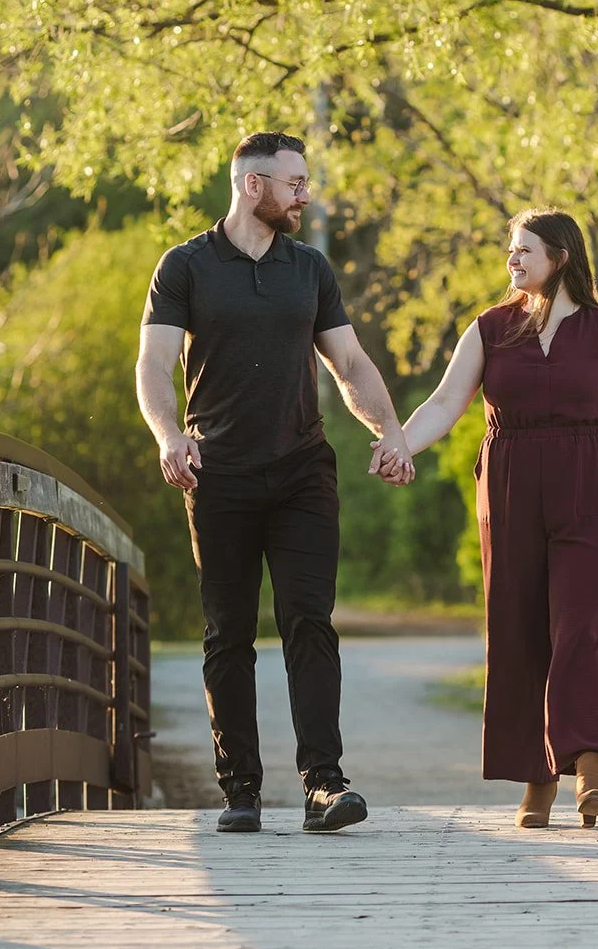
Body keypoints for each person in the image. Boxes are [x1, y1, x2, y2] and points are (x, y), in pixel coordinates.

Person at [136, 131, 414, 834]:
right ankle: (241, 790)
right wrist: (170, 437)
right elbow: (153, 366)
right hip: (219, 472)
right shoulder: (186, 267)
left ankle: (324, 783)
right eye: (295, 182)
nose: (305, 194)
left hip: (301, 471)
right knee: (228, 631)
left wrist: (391, 429)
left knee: (309, 622)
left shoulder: (309, 269)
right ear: (252, 185)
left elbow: (348, 363)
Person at [372, 208, 598, 828]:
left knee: (580, 628)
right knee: (520, 633)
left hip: (587, 487)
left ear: (562, 258)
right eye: (510, 251)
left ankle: (587, 771)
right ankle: (537, 780)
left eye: (525, 250)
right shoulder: (491, 329)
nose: (513, 261)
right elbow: (447, 400)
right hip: (509, 488)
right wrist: (399, 445)